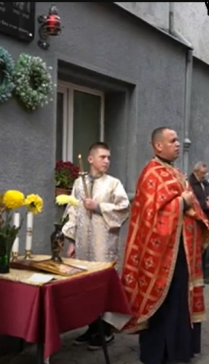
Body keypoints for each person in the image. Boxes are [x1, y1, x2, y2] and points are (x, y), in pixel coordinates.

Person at [121, 127, 209, 364]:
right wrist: (182, 202)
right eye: (172, 141)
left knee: (181, 298)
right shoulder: (151, 174)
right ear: (158, 146)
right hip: (162, 254)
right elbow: (152, 215)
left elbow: (191, 204)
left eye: (178, 140)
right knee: (165, 301)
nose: (178, 144)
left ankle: (180, 350)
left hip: (182, 251)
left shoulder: (176, 172)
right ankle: (159, 354)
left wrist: (189, 207)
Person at [64, 142, 130, 348]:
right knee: (86, 285)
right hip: (84, 244)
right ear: (90, 159)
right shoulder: (78, 183)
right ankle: (91, 327)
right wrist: (71, 240)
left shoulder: (113, 184)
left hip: (104, 245)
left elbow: (123, 208)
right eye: (103, 157)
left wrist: (98, 206)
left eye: (109, 157)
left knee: (102, 284)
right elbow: (72, 210)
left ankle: (105, 330)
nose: (107, 161)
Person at [189, 161, 209, 284]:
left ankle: (206, 274)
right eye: (202, 173)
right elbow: (191, 201)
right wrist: (205, 205)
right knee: (196, 248)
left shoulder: (207, 184)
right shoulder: (189, 183)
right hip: (195, 219)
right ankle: (195, 274)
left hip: (207, 218)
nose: (204, 175)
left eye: (205, 173)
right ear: (196, 172)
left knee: (207, 247)